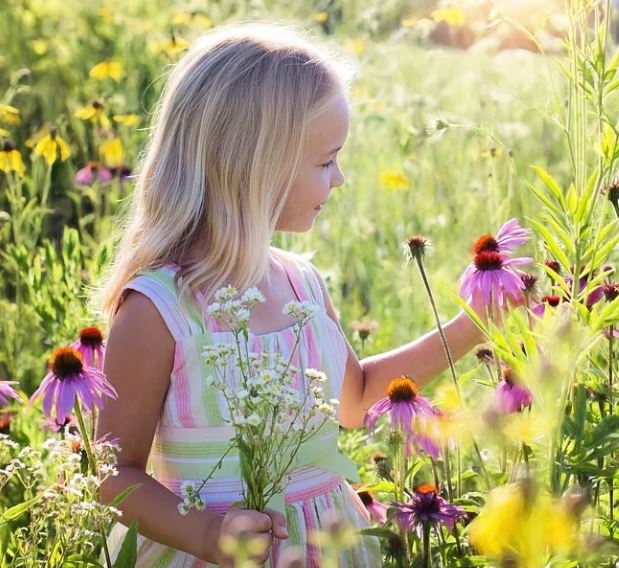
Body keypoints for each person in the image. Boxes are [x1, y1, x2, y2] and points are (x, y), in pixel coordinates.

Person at [94, 21, 487, 566]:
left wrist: (474, 324)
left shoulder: (302, 283)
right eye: (326, 161)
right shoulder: (159, 310)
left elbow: (355, 400)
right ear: (254, 168)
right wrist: (209, 536)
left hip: (329, 546)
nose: (341, 179)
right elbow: (114, 477)